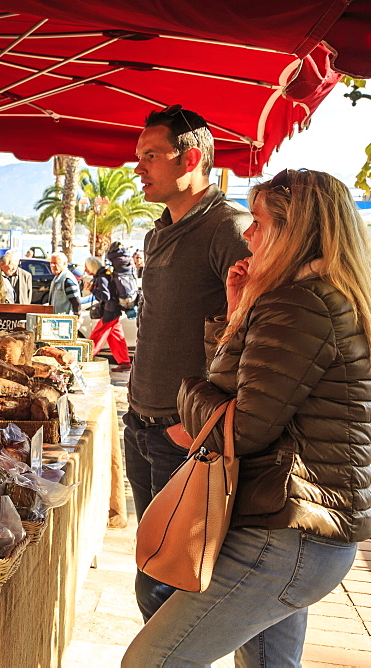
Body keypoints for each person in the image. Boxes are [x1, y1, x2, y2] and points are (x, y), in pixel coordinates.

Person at [123, 169, 371, 666]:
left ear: (293, 232)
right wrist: (238, 314)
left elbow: (241, 427)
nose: (248, 235)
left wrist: (186, 395)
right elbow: (245, 389)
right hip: (305, 529)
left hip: (289, 532)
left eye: (257, 222)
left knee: (153, 660)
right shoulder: (314, 298)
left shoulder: (300, 304)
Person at [125, 105, 251, 622]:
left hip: (183, 434)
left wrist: (198, 423)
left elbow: (254, 330)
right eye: (139, 157)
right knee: (151, 567)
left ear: (192, 157)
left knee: (162, 587)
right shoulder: (160, 230)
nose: (138, 169)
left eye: (150, 156)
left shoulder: (229, 227)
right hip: (141, 423)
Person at [89, 245, 133, 372]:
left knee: (96, 336)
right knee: (116, 338)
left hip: (110, 311)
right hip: (114, 311)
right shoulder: (104, 275)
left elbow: (106, 296)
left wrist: (92, 290)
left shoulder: (101, 277)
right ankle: (125, 362)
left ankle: (86, 358)